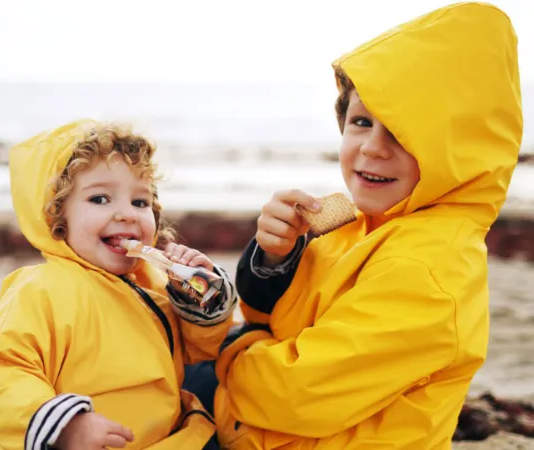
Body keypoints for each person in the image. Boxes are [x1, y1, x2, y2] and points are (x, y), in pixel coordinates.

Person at [192, 2, 523, 448]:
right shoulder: (354, 223)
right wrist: (274, 259)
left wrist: (230, 346)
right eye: (362, 122)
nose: (372, 148)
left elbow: (298, 395)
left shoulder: (428, 270)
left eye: (403, 134)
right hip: (256, 421)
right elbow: (270, 318)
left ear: (458, 152)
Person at [0, 120, 237, 450]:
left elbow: (199, 353)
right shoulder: (40, 290)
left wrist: (198, 297)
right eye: (99, 199)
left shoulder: (152, 283)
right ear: (57, 217)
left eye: (140, 202)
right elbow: (1, 371)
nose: (127, 214)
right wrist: (64, 427)